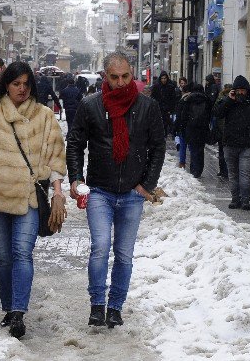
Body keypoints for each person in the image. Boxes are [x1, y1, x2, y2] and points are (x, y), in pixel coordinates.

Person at [0, 61, 66, 339]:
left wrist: (57, 191)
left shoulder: (44, 116)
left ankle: (19, 312)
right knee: (3, 257)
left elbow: (55, 157)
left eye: (26, 84)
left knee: (22, 253)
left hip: (28, 197)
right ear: (5, 85)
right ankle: (8, 308)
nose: (21, 89)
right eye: (15, 83)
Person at [67, 52, 165, 328]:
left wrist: (146, 184)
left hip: (133, 193)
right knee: (100, 247)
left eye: (125, 77)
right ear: (105, 76)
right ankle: (97, 304)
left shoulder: (148, 106)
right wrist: (75, 177)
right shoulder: (90, 106)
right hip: (99, 190)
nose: (121, 83)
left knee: (124, 253)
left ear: (131, 75)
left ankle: (115, 307)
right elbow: (75, 143)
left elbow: (157, 147)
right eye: (114, 77)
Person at [213, 75, 250, 210]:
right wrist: (228, 100)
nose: (240, 93)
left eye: (242, 90)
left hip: (248, 145)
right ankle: (235, 199)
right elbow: (217, 113)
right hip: (230, 144)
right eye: (237, 90)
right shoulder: (229, 102)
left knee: (245, 173)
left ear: (247, 90)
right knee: (233, 174)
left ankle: (245, 200)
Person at [177, 83, 211, 178]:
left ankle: (194, 169)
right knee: (200, 149)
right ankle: (199, 169)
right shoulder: (207, 99)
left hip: (191, 128)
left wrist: (183, 127)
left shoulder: (188, 99)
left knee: (193, 149)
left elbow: (184, 116)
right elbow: (209, 115)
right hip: (202, 128)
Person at [151, 71, 178, 136]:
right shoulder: (156, 86)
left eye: (165, 78)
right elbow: (153, 97)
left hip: (167, 109)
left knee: (166, 123)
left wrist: (170, 109)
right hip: (158, 108)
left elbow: (173, 99)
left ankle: (165, 135)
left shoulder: (170, 87)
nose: (163, 80)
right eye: (162, 78)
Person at [174, 83, 192, 169]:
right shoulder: (194, 99)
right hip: (191, 126)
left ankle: (182, 163)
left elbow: (178, 116)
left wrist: (176, 127)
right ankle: (193, 163)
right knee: (191, 146)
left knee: (183, 145)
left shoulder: (182, 100)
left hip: (183, 126)